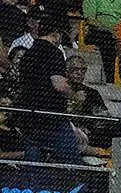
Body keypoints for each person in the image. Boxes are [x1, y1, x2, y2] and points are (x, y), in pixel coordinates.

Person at [15, 12, 81, 164]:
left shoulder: (28, 54)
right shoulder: (54, 52)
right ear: (56, 35)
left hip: (29, 117)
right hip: (51, 118)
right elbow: (59, 85)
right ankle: (78, 185)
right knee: (72, 161)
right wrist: (75, 95)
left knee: (33, 164)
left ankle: (33, 187)